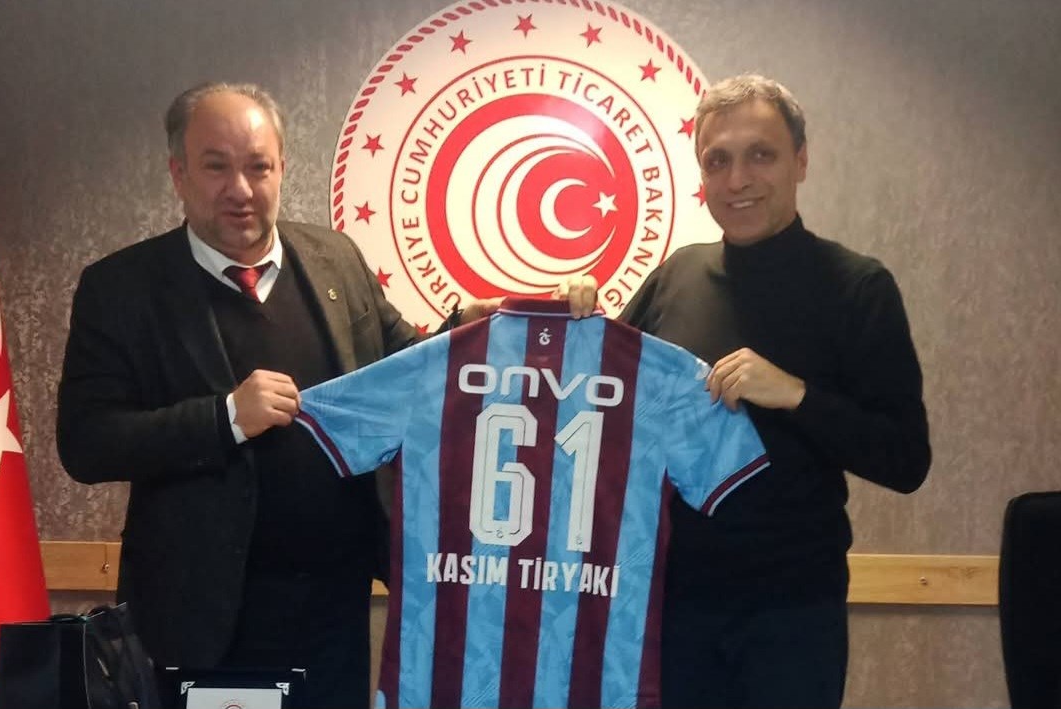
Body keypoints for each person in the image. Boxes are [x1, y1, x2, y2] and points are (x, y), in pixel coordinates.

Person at [56, 81, 596, 708]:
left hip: (333, 614)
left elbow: (406, 371)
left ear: (282, 168)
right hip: (205, 622)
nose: (240, 189)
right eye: (216, 166)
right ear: (178, 173)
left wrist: (474, 328)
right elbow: (86, 442)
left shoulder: (335, 259)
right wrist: (224, 418)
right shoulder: (121, 288)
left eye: (258, 166)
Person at [619, 74, 931, 708]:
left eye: (761, 154)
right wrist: (566, 323)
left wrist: (797, 395)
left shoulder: (857, 287)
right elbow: (603, 402)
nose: (738, 179)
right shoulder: (676, 276)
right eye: (718, 161)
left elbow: (906, 460)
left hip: (794, 615)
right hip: (675, 607)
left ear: (801, 161)